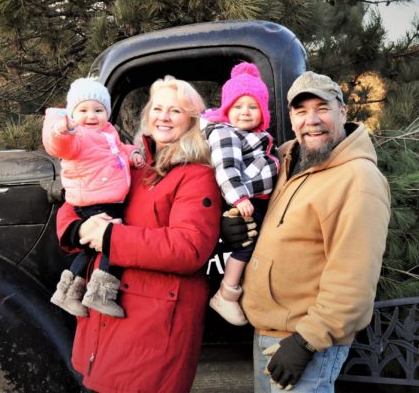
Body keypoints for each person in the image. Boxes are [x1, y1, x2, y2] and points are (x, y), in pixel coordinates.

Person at [221, 71, 390, 392]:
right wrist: (234, 226)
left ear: (343, 111)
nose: (311, 120)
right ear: (291, 117)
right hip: (268, 328)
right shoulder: (285, 158)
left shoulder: (358, 180)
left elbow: (354, 279)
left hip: (305, 339)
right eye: (300, 111)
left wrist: (307, 342)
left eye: (322, 108)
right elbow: (271, 219)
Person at [54, 76, 222, 393]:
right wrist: (80, 228)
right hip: (107, 321)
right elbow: (77, 200)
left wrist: (109, 238)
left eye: (176, 110)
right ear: (147, 115)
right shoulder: (130, 165)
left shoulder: (197, 175)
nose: (164, 116)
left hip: (153, 326)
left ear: (192, 119)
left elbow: (189, 248)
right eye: (157, 108)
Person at [42, 77, 145, 318]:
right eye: (83, 110)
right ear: (72, 113)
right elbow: (60, 147)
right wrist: (62, 130)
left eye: (98, 110)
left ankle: (68, 293)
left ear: (107, 113)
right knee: (114, 241)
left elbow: (118, 152)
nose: (91, 116)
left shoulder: (108, 133)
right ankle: (101, 295)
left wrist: (133, 154)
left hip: (106, 198)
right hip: (93, 199)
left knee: (88, 250)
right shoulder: (76, 137)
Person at [201, 62, 279, 326]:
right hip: (244, 201)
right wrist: (239, 197)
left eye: (252, 106)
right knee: (246, 245)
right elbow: (226, 167)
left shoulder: (257, 135)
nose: (245, 112)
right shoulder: (225, 133)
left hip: (258, 200)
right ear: (226, 110)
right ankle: (227, 292)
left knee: (258, 247)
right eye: (237, 106)